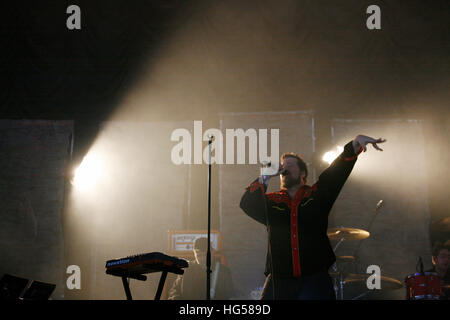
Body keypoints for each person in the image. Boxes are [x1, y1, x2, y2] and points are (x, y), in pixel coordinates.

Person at [240, 135, 386, 300]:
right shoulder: (272, 202)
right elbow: (247, 204)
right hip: (279, 279)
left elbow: (335, 174)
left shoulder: (316, 196)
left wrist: (354, 144)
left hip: (314, 278)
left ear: (303, 173)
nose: (283, 170)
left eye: (289, 166)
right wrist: (265, 176)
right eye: (282, 167)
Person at [168, 237, 235, 300]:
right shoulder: (186, 269)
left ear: (212, 252)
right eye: (199, 255)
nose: (203, 259)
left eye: (205, 255)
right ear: (194, 253)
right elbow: (174, 292)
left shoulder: (223, 272)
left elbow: (230, 295)